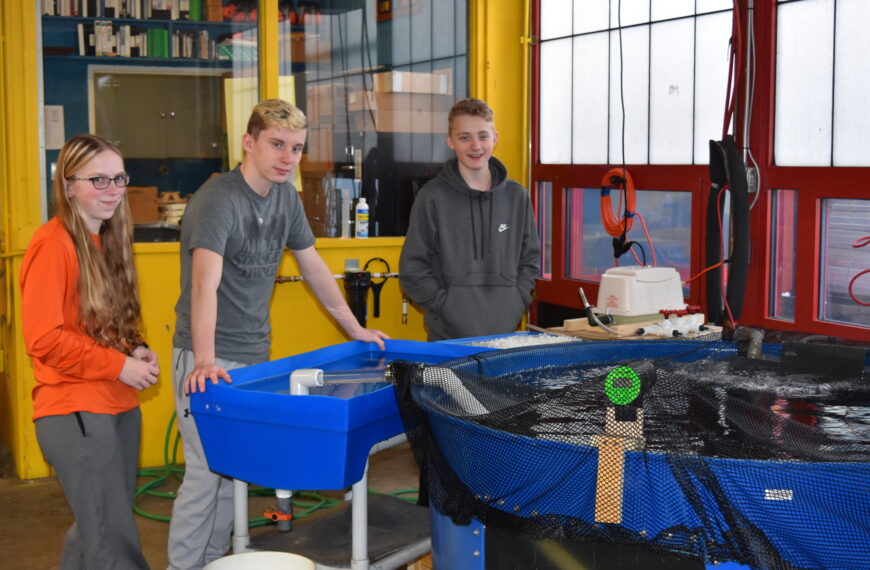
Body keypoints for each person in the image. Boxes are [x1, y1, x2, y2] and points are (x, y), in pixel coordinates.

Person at [167, 98, 389, 570]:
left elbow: (314, 270)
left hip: (253, 357)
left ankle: (212, 562)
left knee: (235, 470)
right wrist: (205, 360)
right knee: (206, 473)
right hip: (205, 356)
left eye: (297, 148)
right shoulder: (218, 200)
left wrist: (356, 328)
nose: (288, 157)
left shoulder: (285, 197)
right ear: (249, 143)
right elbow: (203, 283)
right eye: (277, 145)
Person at [20, 134, 160, 569]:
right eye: (97, 179)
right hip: (77, 410)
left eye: (118, 177)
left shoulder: (106, 241)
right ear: (68, 186)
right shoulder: (53, 245)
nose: (113, 189)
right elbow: (44, 338)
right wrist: (118, 366)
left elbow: (96, 325)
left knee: (95, 530)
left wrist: (134, 348)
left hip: (114, 404)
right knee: (112, 541)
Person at [399, 98, 542, 341]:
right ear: (450, 141)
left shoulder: (517, 196)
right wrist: (446, 306)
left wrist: (517, 301)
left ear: (495, 138)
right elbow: (412, 270)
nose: (476, 146)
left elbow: (530, 261)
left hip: (505, 338)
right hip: (448, 340)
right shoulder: (432, 197)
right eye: (465, 137)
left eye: (483, 136)